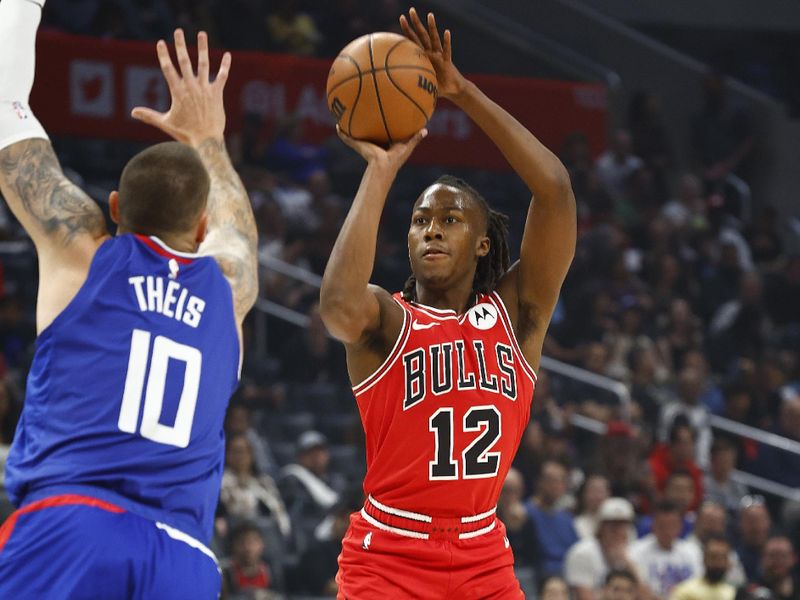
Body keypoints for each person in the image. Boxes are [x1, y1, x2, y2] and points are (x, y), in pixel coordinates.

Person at [0, 5, 258, 596]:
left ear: (114, 209)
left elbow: (5, 112)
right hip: (185, 559)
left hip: (71, 526)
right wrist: (209, 138)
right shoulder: (227, 290)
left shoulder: (84, 256)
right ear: (199, 229)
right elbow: (239, 234)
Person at [318, 7, 576, 598]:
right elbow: (336, 305)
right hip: (389, 556)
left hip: (484, 556)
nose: (431, 230)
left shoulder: (516, 314)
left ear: (482, 241)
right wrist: (381, 172)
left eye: (450, 219)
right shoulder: (388, 320)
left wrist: (464, 93)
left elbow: (556, 190)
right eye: (420, 221)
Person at [564, 497, 637, 600]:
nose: (618, 531)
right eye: (613, 526)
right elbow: (584, 597)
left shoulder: (632, 552)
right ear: (601, 527)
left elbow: (646, 597)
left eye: (623, 526)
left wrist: (628, 564)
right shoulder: (582, 553)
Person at [629, 501, 702, 599]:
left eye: (671, 525)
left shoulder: (693, 551)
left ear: (680, 527)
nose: (667, 531)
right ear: (653, 526)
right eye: (662, 525)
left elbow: (700, 587)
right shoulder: (635, 551)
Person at [669, 536, 736, 600]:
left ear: (728, 562)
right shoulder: (685, 591)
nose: (717, 563)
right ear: (704, 559)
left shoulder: (732, 593)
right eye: (713, 557)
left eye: (722, 558)